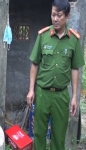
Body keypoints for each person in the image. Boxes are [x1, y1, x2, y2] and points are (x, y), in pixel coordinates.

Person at [26, 0, 84, 149]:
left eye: (59, 15)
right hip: (42, 93)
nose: (55, 19)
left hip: (61, 96)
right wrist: (31, 89)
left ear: (67, 16)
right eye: (53, 15)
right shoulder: (43, 36)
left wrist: (74, 97)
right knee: (39, 134)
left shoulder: (74, 40)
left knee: (59, 137)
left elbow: (75, 69)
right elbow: (35, 63)